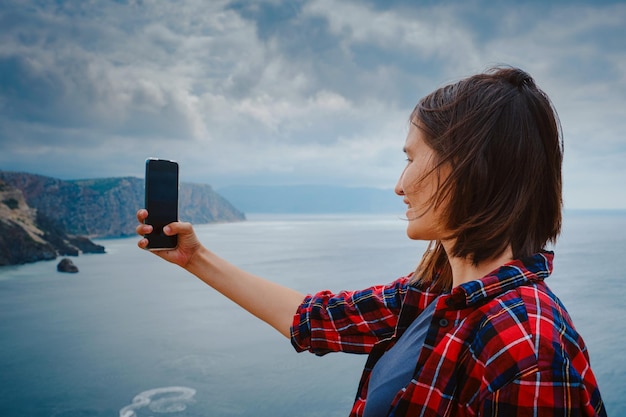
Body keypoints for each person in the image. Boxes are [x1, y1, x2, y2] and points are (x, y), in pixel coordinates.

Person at [136, 66, 606, 416]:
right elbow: (312, 319)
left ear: (468, 168)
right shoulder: (431, 297)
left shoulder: (527, 350)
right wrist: (193, 258)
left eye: (411, 158)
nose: (399, 185)